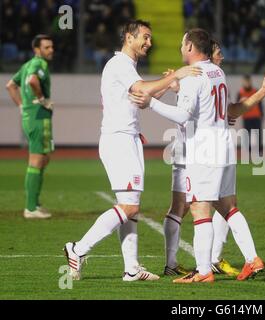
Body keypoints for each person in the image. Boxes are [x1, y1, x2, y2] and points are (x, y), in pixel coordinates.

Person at [137, 28, 265, 283]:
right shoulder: (218, 72)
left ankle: (203, 272)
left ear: (191, 47)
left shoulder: (195, 76)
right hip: (224, 144)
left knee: (199, 207)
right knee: (228, 207)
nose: (181, 48)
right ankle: (252, 258)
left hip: (203, 148)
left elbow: (183, 116)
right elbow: (221, 109)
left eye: (183, 44)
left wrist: (151, 103)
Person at [63, 20, 201, 282]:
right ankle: (77, 249)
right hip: (119, 140)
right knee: (128, 206)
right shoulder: (119, 65)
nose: (149, 43)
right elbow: (141, 90)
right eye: (145, 38)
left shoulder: (129, 67)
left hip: (129, 139)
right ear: (129, 37)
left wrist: (164, 86)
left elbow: (141, 99)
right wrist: (175, 75)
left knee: (131, 207)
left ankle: (131, 269)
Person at [6, 34, 55, 219]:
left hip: (30, 116)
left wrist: (21, 106)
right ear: (37, 50)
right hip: (38, 116)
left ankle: (34, 202)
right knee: (36, 160)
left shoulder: (25, 65)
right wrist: (42, 100)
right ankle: (30, 208)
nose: (51, 50)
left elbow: (10, 85)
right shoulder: (38, 64)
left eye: (51, 47)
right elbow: (32, 81)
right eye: (47, 47)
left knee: (44, 158)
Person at [238, 75, 264, 156]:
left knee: (258, 135)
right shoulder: (240, 92)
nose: (247, 83)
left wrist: (262, 114)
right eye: (245, 81)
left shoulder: (255, 91)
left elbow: (260, 104)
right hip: (246, 117)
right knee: (246, 136)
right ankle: (248, 152)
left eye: (248, 81)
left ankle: (259, 151)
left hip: (256, 116)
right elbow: (237, 105)